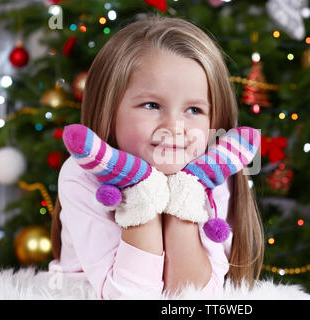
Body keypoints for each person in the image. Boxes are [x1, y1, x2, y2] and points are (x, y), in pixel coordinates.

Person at [49, 14, 264, 300]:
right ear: (108, 109)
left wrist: (186, 189)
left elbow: (193, 298)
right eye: (151, 105)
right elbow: (128, 296)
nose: (175, 128)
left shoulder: (213, 171)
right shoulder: (82, 174)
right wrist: (142, 189)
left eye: (194, 110)